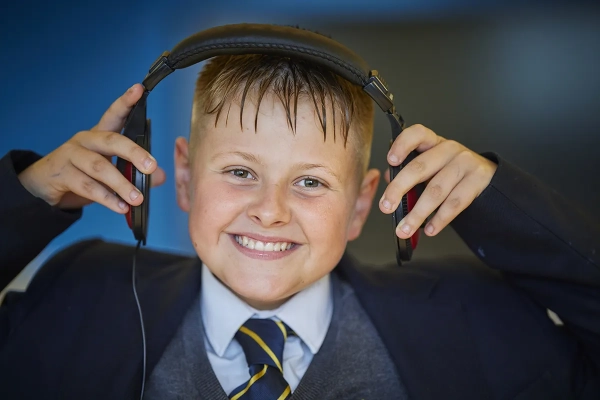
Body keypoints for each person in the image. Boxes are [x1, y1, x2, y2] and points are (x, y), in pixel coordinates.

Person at [0, 47, 598, 400]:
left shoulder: (477, 319)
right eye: (239, 172)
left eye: (310, 181)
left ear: (363, 204)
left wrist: (504, 206)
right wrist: (24, 199)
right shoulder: (78, 294)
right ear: (182, 178)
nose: (271, 210)